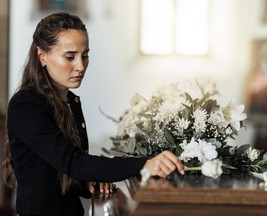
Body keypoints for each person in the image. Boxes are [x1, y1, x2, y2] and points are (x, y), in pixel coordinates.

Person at [2, 12, 184, 216]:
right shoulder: (25, 105)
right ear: (42, 56)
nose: (80, 66)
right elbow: (72, 162)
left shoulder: (70, 101)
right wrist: (145, 164)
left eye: (85, 55)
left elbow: (60, 168)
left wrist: (86, 181)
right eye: (70, 57)